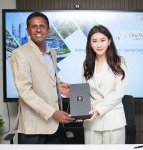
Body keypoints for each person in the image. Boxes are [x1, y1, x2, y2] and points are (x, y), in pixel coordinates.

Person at [11, 12, 74, 144]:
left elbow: (48, 76)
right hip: (34, 127)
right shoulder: (20, 53)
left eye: (42, 26)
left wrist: (59, 85)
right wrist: (52, 112)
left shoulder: (52, 52)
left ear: (48, 30)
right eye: (34, 26)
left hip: (55, 125)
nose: (38, 29)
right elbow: (25, 91)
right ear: (28, 30)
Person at [82, 25, 128, 144]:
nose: (99, 45)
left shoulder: (119, 62)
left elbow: (119, 92)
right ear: (90, 44)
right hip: (92, 120)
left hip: (114, 119)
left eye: (102, 40)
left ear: (109, 41)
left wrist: (99, 109)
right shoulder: (86, 64)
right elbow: (84, 91)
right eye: (94, 41)